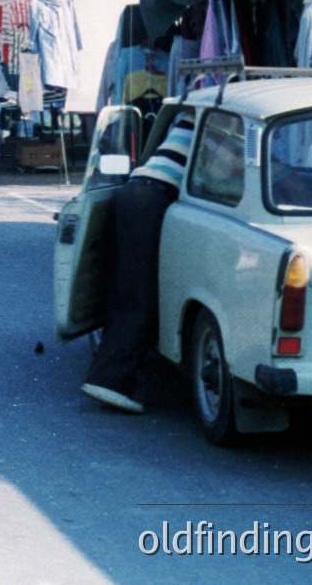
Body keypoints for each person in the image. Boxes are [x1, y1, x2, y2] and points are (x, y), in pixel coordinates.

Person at [81, 110, 198, 413]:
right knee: (141, 293)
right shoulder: (223, 122)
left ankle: (111, 371)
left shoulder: (190, 112)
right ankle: (111, 380)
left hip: (134, 191)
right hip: (151, 199)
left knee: (126, 286)